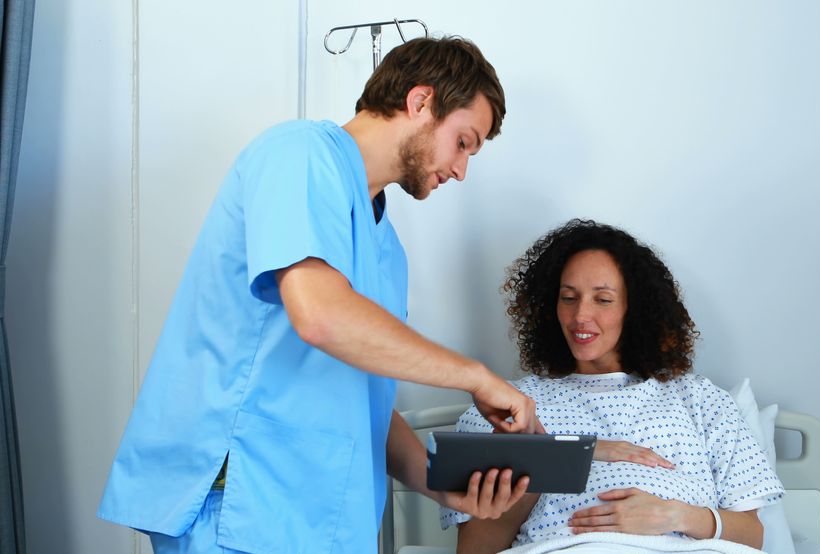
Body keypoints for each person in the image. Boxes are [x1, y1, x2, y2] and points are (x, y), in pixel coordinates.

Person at [98, 36, 539, 553]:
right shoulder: (299, 153)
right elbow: (320, 316)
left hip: (322, 519)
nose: (462, 169)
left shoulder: (387, 249)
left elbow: (364, 401)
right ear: (421, 102)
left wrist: (441, 484)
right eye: (463, 141)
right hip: (245, 501)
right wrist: (477, 378)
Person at [441, 219, 784, 553]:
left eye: (602, 300)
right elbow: (475, 550)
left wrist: (676, 514)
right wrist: (544, 457)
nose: (580, 317)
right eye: (568, 298)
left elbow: (752, 535)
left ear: (633, 310)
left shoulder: (700, 399)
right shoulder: (507, 406)